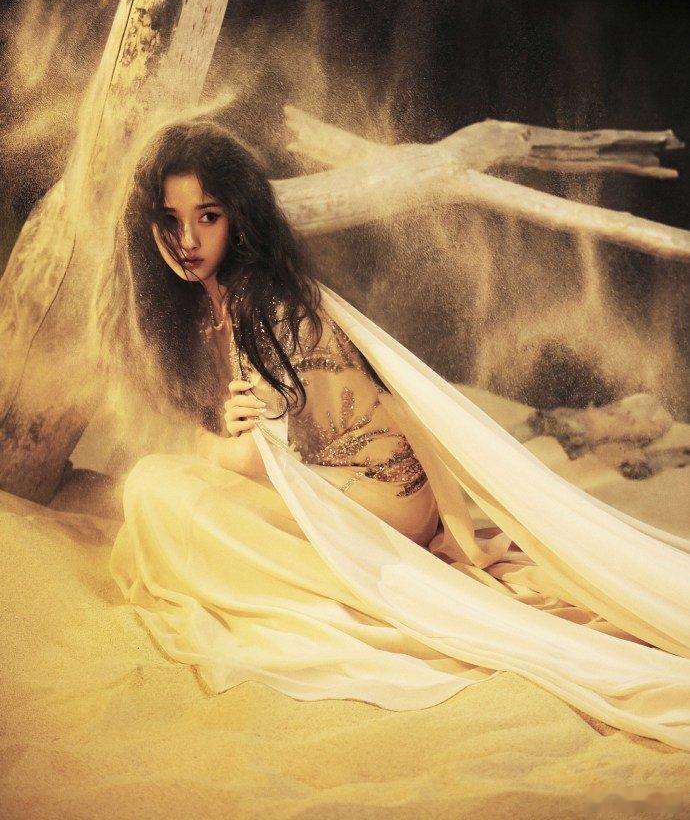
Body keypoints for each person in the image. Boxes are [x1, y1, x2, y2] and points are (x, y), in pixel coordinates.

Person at [98, 118, 690, 752]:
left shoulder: (258, 306)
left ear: (239, 218)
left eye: (208, 216)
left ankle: (311, 590)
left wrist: (222, 439)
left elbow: (257, 458)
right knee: (168, 489)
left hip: (381, 496)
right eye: (171, 221)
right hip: (359, 488)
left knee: (158, 489)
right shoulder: (215, 307)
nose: (188, 240)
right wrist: (221, 436)